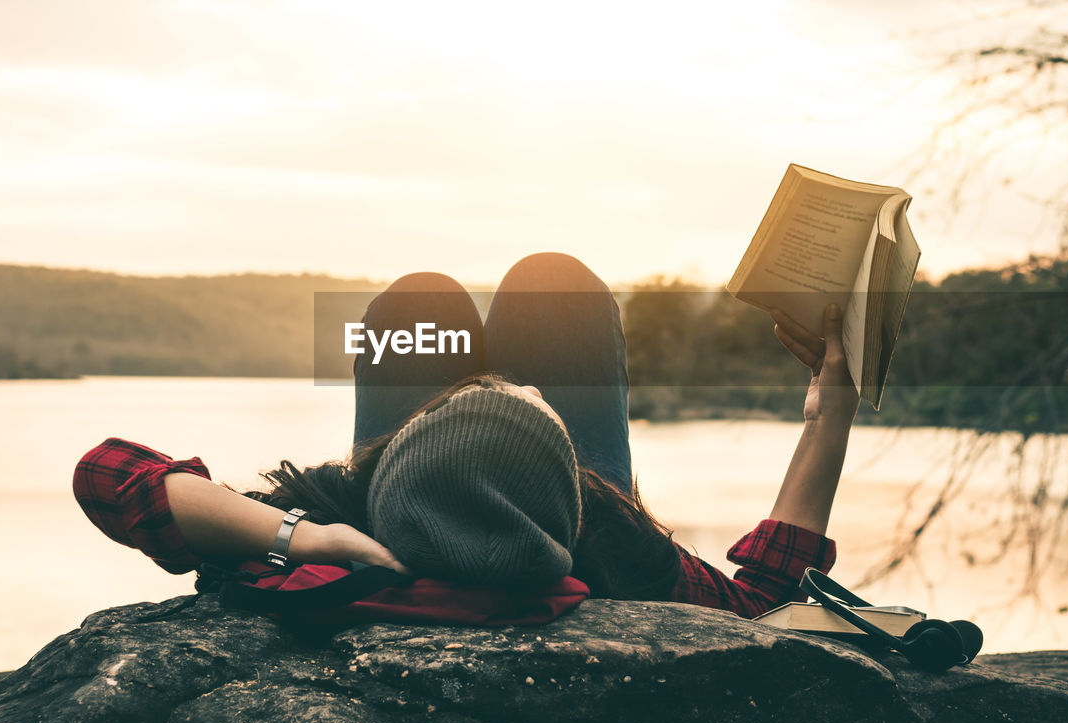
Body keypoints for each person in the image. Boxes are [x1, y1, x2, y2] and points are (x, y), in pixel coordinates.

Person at [74, 252, 859, 619]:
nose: (516, 378)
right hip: (536, 517)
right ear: (577, 496)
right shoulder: (613, 546)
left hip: (390, 526)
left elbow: (109, 471)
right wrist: (832, 412)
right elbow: (760, 596)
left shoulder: (342, 513)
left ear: (394, 455)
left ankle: (450, 412)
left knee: (420, 302)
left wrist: (311, 538)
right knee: (557, 289)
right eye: (531, 399)